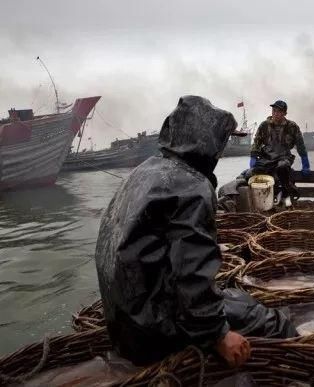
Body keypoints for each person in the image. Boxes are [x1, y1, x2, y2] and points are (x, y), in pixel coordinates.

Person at [94, 96, 297, 367]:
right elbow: (191, 272)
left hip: (124, 327)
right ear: (206, 141)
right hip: (154, 333)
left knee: (235, 298)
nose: (221, 151)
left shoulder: (143, 172)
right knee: (272, 320)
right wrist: (218, 335)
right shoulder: (192, 186)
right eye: (221, 143)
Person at [249, 100, 310, 207]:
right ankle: (271, 196)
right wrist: (253, 157)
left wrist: (305, 163)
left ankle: (286, 194)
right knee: (254, 173)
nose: (276, 113)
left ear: (285, 113)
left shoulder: (292, 127)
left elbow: (300, 145)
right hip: (267, 157)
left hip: (284, 157)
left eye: (279, 111)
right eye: (274, 110)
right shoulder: (264, 125)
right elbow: (257, 142)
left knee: (282, 167)